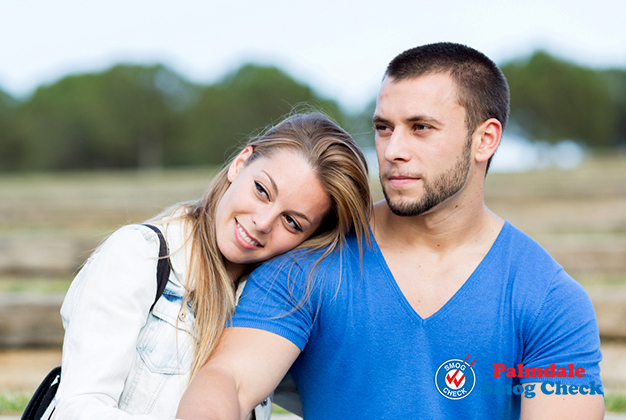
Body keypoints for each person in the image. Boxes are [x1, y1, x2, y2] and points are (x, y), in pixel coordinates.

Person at [176, 43, 604, 419]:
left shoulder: (550, 301)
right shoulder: (312, 262)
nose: (393, 151)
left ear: (485, 140)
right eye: (384, 128)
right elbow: (228, 379)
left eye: (421, 128)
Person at [51, 112, 372, 420]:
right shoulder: (140, 255)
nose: (262, 222)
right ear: (240, 162)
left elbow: (345, 395)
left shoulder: (275, 307)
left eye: (291, 222)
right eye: (262, 190)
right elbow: (77, 410)